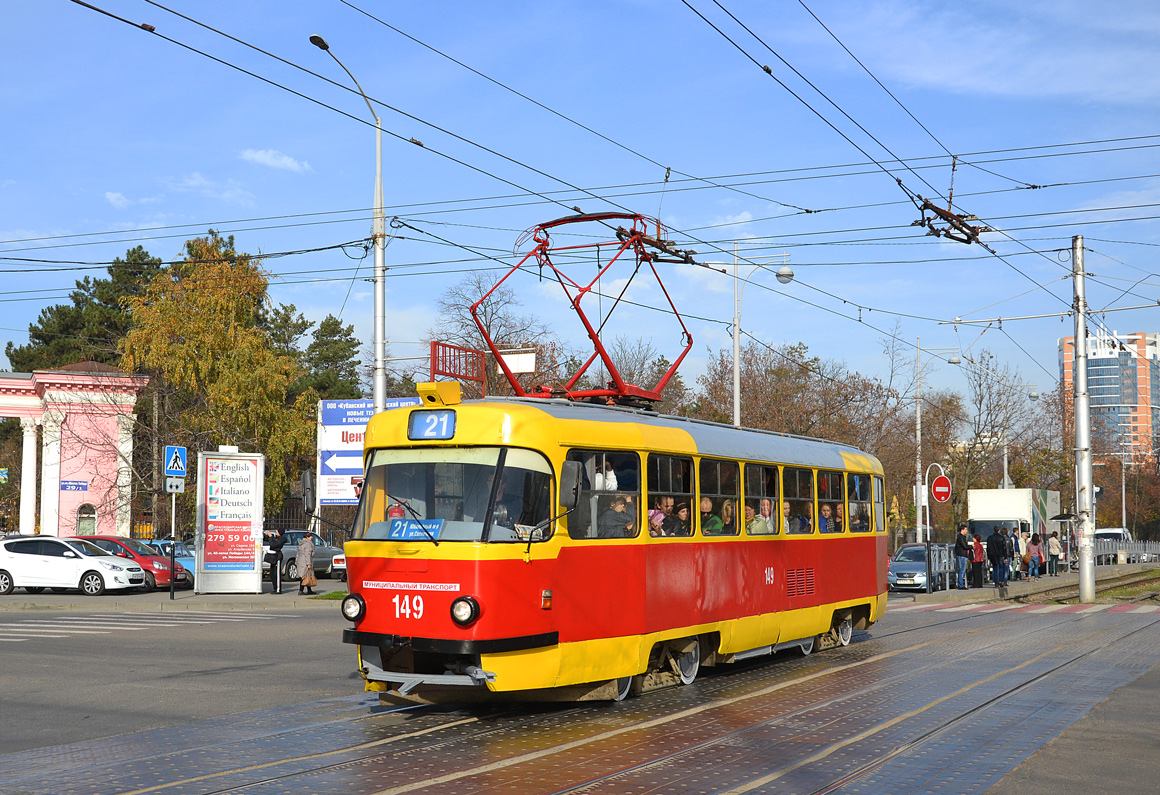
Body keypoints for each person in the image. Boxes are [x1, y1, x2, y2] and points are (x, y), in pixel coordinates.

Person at [264, 528, 286, 595]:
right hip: (272, 557)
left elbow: (273, 545)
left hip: (277, 558)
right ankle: (274, 587)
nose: (276, 532)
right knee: (272, 574)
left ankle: (278, 589)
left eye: (277, 531)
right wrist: (265, 535)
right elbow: (268, 539)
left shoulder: (282, 539)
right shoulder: (275, 538)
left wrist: (270, 537)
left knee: (277, 574)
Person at [954, 524, 971, 590]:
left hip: (963, 555)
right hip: (962, 555)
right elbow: (964, 546)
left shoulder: (962, 537)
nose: (966, 531)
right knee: (962, 570)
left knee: (963, 570)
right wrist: (971, 546)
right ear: (962, 530)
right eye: (966, 529)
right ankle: (961, 585)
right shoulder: (961, 537)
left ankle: (961, 584)